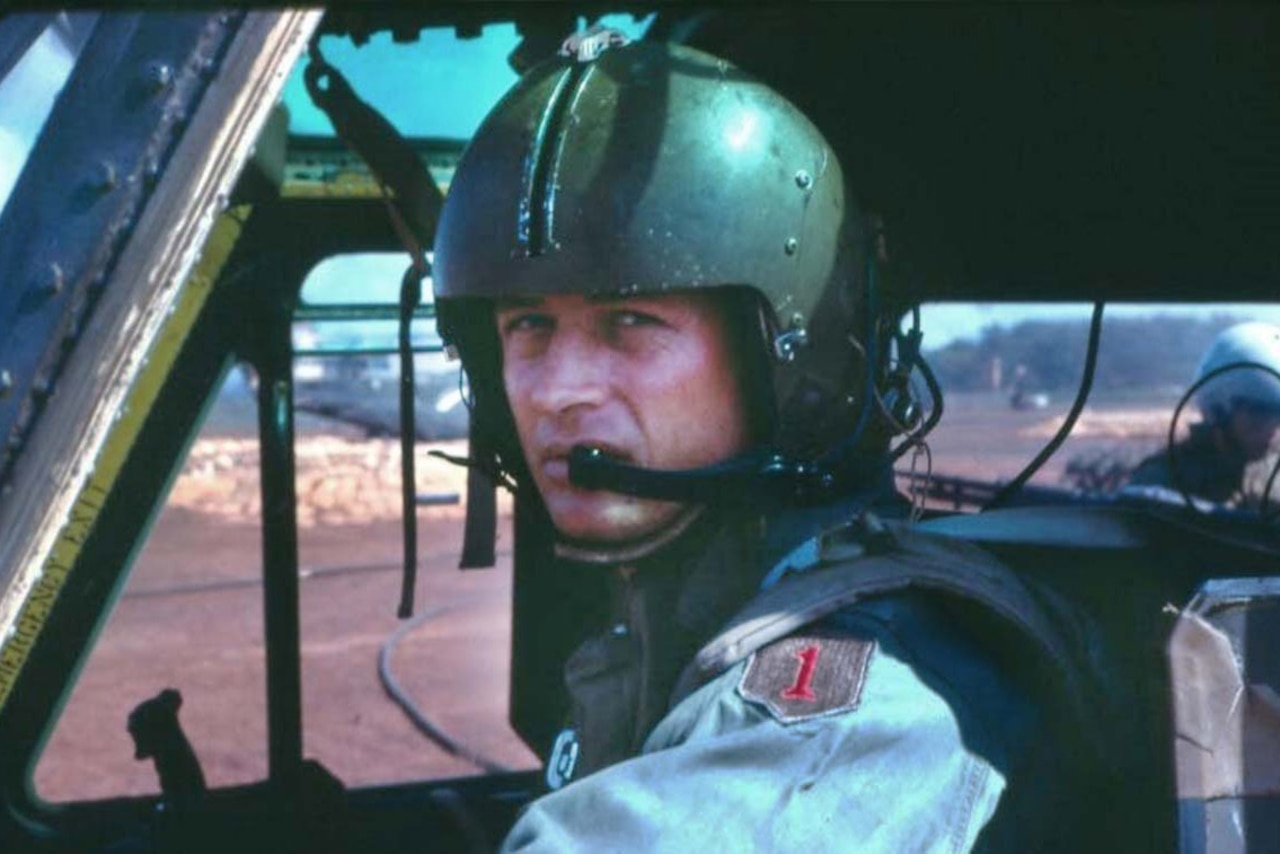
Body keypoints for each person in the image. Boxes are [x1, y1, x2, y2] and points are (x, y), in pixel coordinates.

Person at [432, 30, 1098, 852]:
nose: (559, 388)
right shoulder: (691, 614)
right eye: (529, 324)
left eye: (629, 321)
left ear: (787, 357)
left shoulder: (853, 715)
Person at [1127, 321, 1280, 507]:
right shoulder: (1160, 484)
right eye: (1259, 412)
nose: (1272, 428)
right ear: (1219, 411)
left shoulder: (1272, 476)